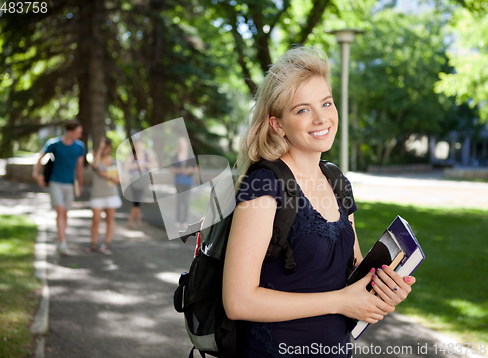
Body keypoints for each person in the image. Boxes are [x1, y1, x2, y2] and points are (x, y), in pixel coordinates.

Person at [222, 47, 416, 358]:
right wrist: (340, 301)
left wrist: (384, 287)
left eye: (326, 103)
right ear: (278, 125)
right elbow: (238, 301)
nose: (321, 117)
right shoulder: (263, 184)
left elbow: (351, 274)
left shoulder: (337, 181)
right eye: (302, 110)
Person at [33, 119, 85, 256]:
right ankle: (62, 241)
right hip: (55, 182)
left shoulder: (80, 147)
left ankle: (60, 238)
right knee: (60, 211)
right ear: (69, 131)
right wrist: (36, 174)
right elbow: (40, 157)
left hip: (69, 183)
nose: (79, 134)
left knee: (65, 213)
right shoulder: (54, 144)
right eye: (77, 132)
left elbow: (79, 167)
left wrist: (80, 183)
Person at [87, 137, 122, 254]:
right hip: (97, 194)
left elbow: (120, 180)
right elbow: (95, 166)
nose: (105, 149)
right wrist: (99, 150)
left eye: (106, 147)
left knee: (109, 220)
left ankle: (107, 243)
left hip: (111, 194)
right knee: (96, 220)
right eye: (103, 147)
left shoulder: (115, 162)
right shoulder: (96, 160)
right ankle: (93, 244)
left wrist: (107, 176)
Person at [124, 140, 158, 228]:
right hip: (134, 181)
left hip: (143, 180)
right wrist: (137, 165)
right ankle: (133, 221)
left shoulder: (146, 154)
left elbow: (155, 164)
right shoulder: (132, 155)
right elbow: (126, 166)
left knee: (137, 201)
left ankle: (135, 221)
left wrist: (145, 164)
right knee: (137, 201)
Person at [170, 137, 198, 229]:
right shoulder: (174, 156)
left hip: (188, 182)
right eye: (180, 144)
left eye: (183, 144)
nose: (182, 146)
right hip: (178, 181)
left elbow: (196, 169)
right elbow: (172, 169)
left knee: (186, 201)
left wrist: (190, 170)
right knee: (179, 200)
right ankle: (178, 220)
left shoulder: (190, 156)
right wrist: (181, 170)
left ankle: (184, 220)